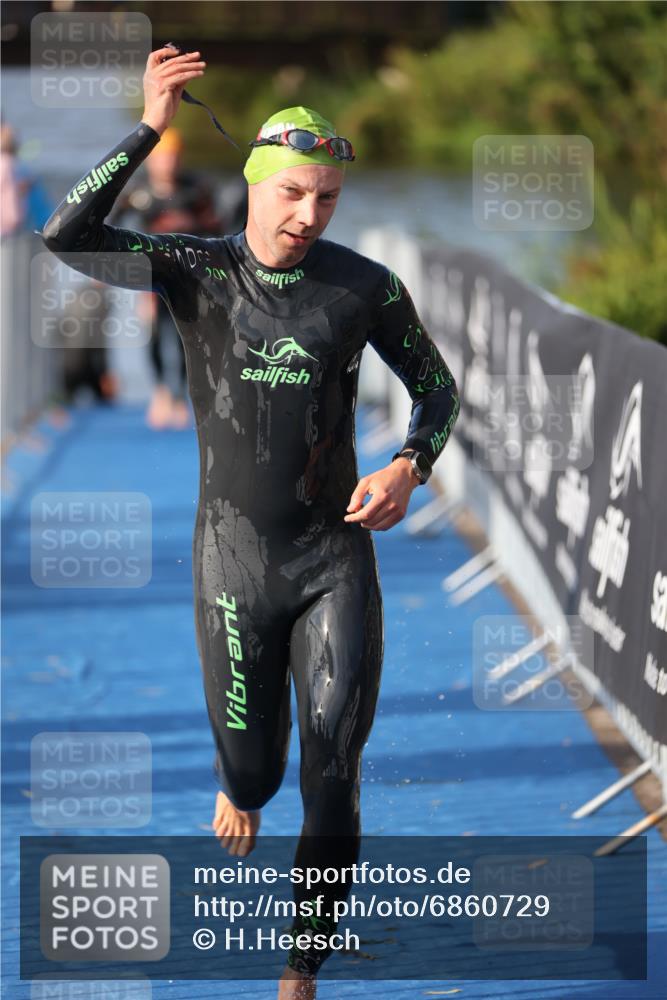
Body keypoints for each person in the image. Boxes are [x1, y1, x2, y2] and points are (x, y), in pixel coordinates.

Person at [41, 47, 460, 1000]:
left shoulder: (363, 289)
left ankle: (301, 965)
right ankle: (237, 784)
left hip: (331, 559)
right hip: (232, 563)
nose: (309, 216)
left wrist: (408, 464)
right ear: (256, 186)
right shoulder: (197, 271)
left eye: (328, 200)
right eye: (295, 195)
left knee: (333, 758)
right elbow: (65, 235)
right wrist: (149, 123)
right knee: (257, 770)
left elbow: (437, 394)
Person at [111, 125, 234, 429]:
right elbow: (111, 226)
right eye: (163, 157)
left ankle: (181, 397)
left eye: (174, 157)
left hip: (189, 276)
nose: (169, 164)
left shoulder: (195, 189)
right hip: (150, 275)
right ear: (152, 160)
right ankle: (160, 393)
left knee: (185, 335)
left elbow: (217, 231)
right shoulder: (137, 191)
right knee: (152, 333)